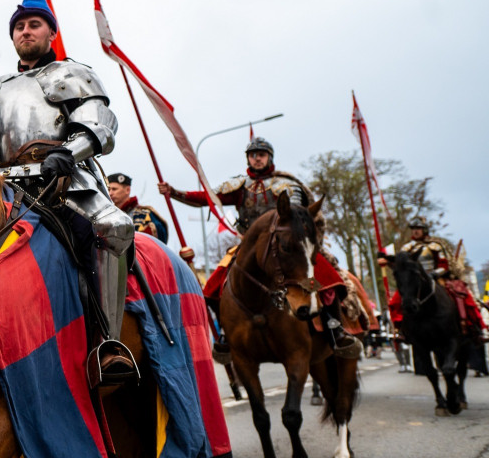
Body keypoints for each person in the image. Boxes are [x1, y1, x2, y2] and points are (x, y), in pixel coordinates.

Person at [0, 0, 136, 383]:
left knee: (114, 227)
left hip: (65, 180)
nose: (26, 32)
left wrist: (69, 152)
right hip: (3, 182)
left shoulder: (73, 74)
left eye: (34, 24)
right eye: (19, 27)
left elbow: (100, 126)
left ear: (50, 33)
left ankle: (108, 343)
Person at [159, 137, 362, 360]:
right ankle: (226, 332)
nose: (256, 158)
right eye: (252, 155)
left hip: (286, 246)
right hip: (249, 246)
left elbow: (295, 213)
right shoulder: (238, 186)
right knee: (213, 287)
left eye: (261, 154)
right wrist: (174, 192)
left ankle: (335, 329)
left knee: (327, 278)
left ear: (269, 158)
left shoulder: (287, 185)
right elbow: (207, 197)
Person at [380, 216, 489, 344]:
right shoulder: (406, 248)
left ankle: (472, 326)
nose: (415, 231)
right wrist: (385, 260)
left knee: (461, 294)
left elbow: (444, 265)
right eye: (413, 229)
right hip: (415, 281)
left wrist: (434, 275)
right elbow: (401, 266)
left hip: (436, 278)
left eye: (418, 228)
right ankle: (400, 330)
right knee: (396, 300)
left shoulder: (436, 246)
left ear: (424, 230)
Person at [107, 172, 169, 244]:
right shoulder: (109, 217)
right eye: (108, 190)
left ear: (127, 190)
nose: (110, 193)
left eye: (114, 189)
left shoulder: (144, 214)